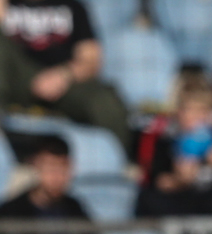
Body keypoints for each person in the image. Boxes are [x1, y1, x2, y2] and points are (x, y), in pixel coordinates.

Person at [0, 0, 130, 148]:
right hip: (15, 79)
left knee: (106, 103)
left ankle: (119, 158)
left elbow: (91, 59)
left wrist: (63, 75)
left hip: (64, 78)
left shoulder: (72, 6)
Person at [137, 73, 212, 219]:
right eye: (190, 110)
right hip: (181, 201)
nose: (197, 117)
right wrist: (180, 180)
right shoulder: (166, 139)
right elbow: (159, 182)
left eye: (203, 111)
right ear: (178, 112)